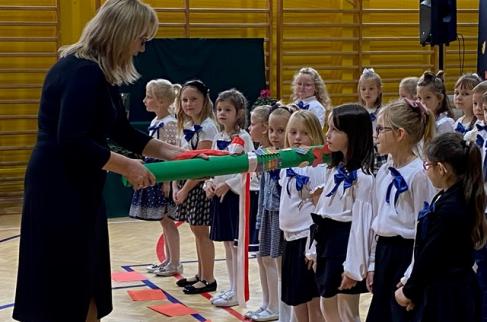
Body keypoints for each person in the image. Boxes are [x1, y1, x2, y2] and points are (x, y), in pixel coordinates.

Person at [13, 1, 186, 321]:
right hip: (59, 189)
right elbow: (72, 140)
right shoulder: (82, 72)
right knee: (65, 282)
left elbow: (120, 130)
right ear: (122, 34)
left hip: (79, 188)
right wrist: (130, 166)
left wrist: (178, 154)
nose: (141, 49)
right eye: (141, 40)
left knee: (87, 278)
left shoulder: (98, 74)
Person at [395, 132, 487, 322]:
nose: (425, 171)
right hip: (441, 288)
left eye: (427, 165)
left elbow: (431, 254)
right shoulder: (447, 196)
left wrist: (410, 291)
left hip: (448, 295)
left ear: (442, 169)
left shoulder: (452, 207)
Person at [366, 98, 436, 322]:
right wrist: (373, 263)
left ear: (400, 134)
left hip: (406, 256)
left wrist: (410, 277)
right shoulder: (386, 169)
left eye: (381, 130)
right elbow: (379, 218)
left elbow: (423, 232)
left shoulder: (418, 175)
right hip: (385, 254)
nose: (376, 135)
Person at [308, 104, 375, 322]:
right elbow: (322, 212)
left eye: (335, 130)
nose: (328, 134)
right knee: (326, 301)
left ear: (353, 134)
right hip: (328, 239)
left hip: (345, 244)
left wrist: (354, 267)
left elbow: (361, 226)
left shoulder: (363, 178)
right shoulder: (335, 169)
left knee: (346, 308)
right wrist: (314, 248)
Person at [203, 89, 254, 307]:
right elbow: (214, 165)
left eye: (228, 110)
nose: (222, 113)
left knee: (235, 245)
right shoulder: (218, 137)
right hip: (219, 197)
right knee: (226, 244)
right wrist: (210, 183)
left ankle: (238, 290)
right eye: (219, 109)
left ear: (239, 112)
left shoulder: (243, 138)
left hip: (235, 198)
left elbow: (249, 169)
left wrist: (228, 185)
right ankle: (232, 287)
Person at [128, 79, 183, 277]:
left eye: (148, 97)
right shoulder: (155, 121)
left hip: (163, 175)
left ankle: (175, 262)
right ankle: (168, 260)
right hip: (155, 171)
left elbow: (169, 154)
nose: (144, 101)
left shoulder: (169, 123)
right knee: (163, 220)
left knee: (168, 219)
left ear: (161, 101)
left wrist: (167, 181)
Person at [172, 79, 219, 294]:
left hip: (198, 186)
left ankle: (208, 278)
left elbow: (201, 166)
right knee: (195, 230)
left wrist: (184, 189)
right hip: (186, 184)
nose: (188, 104)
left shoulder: (208, 127)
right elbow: (180, 158)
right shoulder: (188, 126)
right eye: (184, 100)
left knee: (202, 232)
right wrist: (175, 184)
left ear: (204, 100)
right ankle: (201, 273)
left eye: (193, 99)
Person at [278, 110, 325, 322]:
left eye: (304, 133)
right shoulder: (286, 163)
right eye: (293, 132)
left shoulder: (316, 167)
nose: (297, 138)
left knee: (313, 302)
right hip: (289, 237)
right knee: (296, 299)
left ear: (315, 135)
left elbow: (319, 206)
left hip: (307, 239)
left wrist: (314, 246)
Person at [251, 104, 295, 322]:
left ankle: (282, 311)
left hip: (282, 216)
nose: (275, 136)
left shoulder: (290, 157)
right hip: (268, 212)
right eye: (271, 130)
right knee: (266, 257)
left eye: (281, 130)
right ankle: (270, 305)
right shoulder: (268, 154)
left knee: (280, 264)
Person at [244, 105, 274, 319]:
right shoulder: (260, 152)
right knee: (262, 258)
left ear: (264, 128)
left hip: (272, 212)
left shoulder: (274, 155)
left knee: (270, 260)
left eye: (253, 124)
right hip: (263, 210)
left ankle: (275, 306)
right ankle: (266, 302)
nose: (249, 127)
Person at [358, 67, 387, 174]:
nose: (367, 92)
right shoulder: (358, 111)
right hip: (362, 150)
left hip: (379, 150)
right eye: (363, 89)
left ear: (379, 90)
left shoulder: (383, 111)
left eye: (371, 89)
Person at [417, 70, 455, 135]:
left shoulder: (445, 123)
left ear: (440, 98)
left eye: (428, 97)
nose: (422, 102)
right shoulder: (420, 121)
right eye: (419, 98)